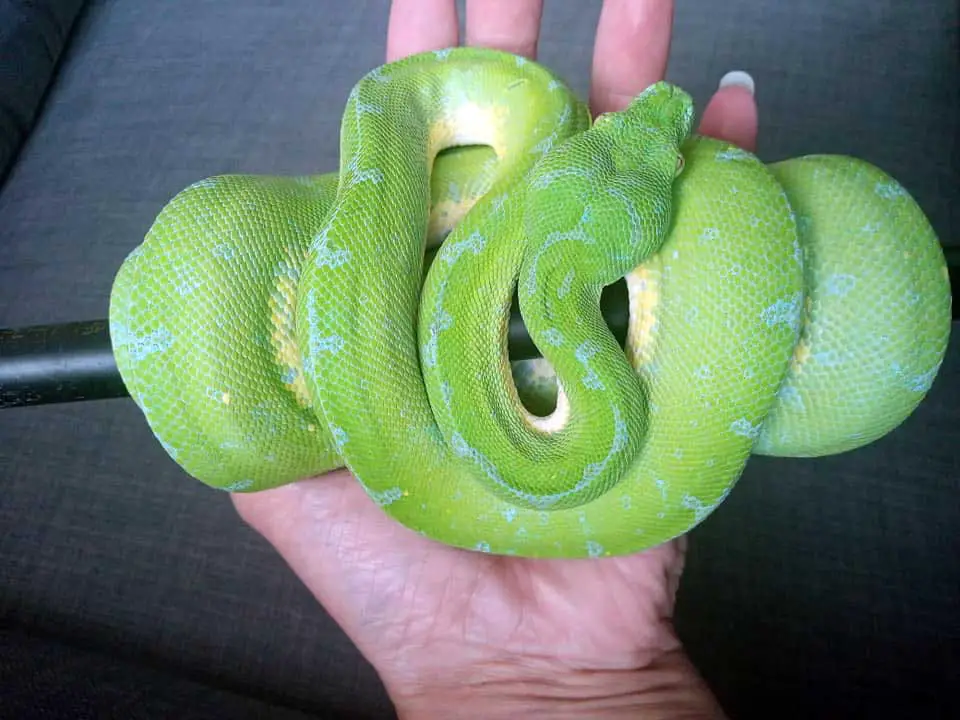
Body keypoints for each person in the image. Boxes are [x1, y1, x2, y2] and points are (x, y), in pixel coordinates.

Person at [233, 1, 757, 717]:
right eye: (607, 130)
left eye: (666, 163)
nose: (667, 117)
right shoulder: (545, 173)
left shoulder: (549, 201)